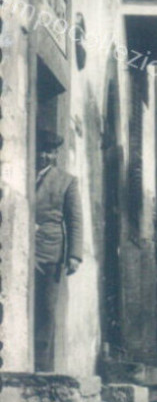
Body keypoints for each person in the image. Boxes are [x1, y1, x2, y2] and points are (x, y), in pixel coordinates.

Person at [33, 131, 82, 372]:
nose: (44, 156)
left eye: (49, 152)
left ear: (56, 154)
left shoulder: (67, 181)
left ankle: (43, 368)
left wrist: (74, 255)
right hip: (24, 249)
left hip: (50, 252)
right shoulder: (21, 173)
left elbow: (75, 219)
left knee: (46, 308)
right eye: (41, 151)